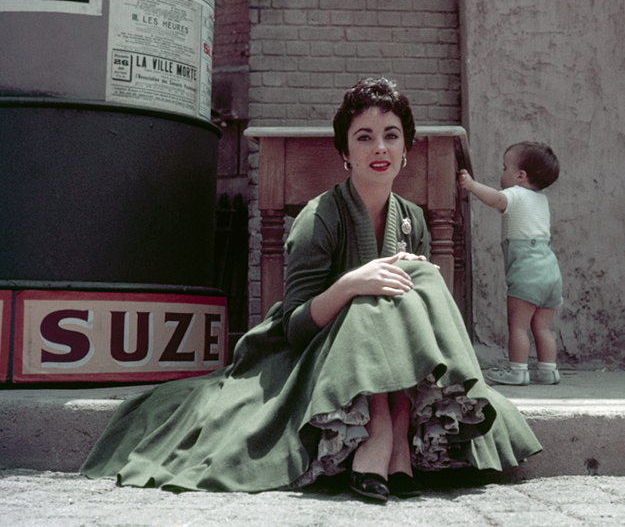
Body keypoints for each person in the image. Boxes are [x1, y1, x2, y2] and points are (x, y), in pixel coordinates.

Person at [81, 78, 541, 502]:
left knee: (420, 276)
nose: (379, 147)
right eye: (364, 137)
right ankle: (380, 430)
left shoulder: (413, 219)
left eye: (391, 136)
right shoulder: (319, 217)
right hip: (317, 356)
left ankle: (398, 429)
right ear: (345, 153)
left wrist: (395, 276)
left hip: (394, 366)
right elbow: (295, 328)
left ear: (405, 151)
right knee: (372, 294)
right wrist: (349, 284)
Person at [458, 142, 562, 386]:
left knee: (518, 327)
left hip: (527, 273)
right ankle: (549, 371)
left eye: (505, 167)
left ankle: (518, 371)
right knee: (543, 328)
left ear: (520, 176)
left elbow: (495, 199)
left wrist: (471, 185)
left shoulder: (515, 193)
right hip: (550, 272)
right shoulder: (541, 201)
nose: (501, 173)